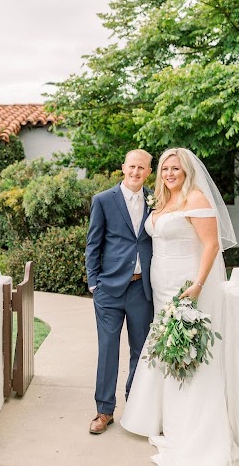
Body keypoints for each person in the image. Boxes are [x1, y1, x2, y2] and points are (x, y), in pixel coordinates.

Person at [120, 147, 239, 465]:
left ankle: (191, 424)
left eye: (176, 169)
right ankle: (164, 416)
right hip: (159, 284)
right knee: (165, 344)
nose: (170, 174)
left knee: (187, 347)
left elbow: (211, 244)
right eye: (165, 169)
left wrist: (198, 285)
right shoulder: (163, 202)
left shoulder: (197, 199)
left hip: (185, 283)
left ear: (187, 172)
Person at [85, 149, 155, 435]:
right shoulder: (103, 200)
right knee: (108, 349)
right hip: (109, 289)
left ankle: (135, 407)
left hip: (142, 288)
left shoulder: (157, 200)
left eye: (142, 168)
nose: (136, 172)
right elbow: (93, 243)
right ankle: (104, 411)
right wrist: (94, 283)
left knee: (141, 350)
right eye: (132, 166)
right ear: (123, 168)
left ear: (148, 172)